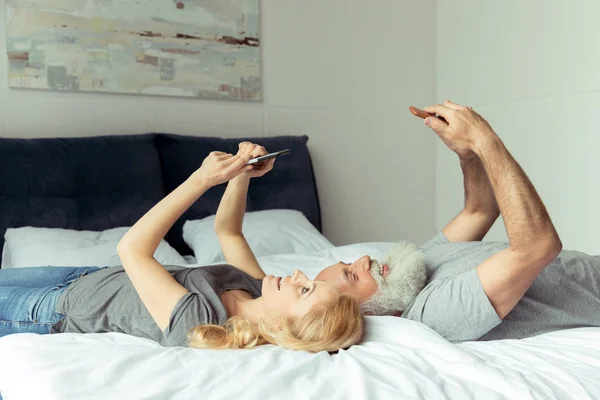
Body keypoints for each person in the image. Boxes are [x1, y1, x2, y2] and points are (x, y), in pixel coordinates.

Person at [0, 143, 364, 352]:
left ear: (286, 326)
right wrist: (241, 177)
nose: (299, 275)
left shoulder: (203, 323)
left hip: (53, 309)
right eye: (309, 281)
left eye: (304, 290)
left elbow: (133, 249)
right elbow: (229, 233)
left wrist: (201, 180)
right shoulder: (256, 288)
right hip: (84, 278)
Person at [316, 100, 600, 342]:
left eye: (348, 264)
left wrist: (468, 155)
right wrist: (484, 141)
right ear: (362, 314)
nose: (364, 259)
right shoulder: (436, 311)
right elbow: (537, 247)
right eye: (353, 275)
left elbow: (480, 211)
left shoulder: (415, 268)